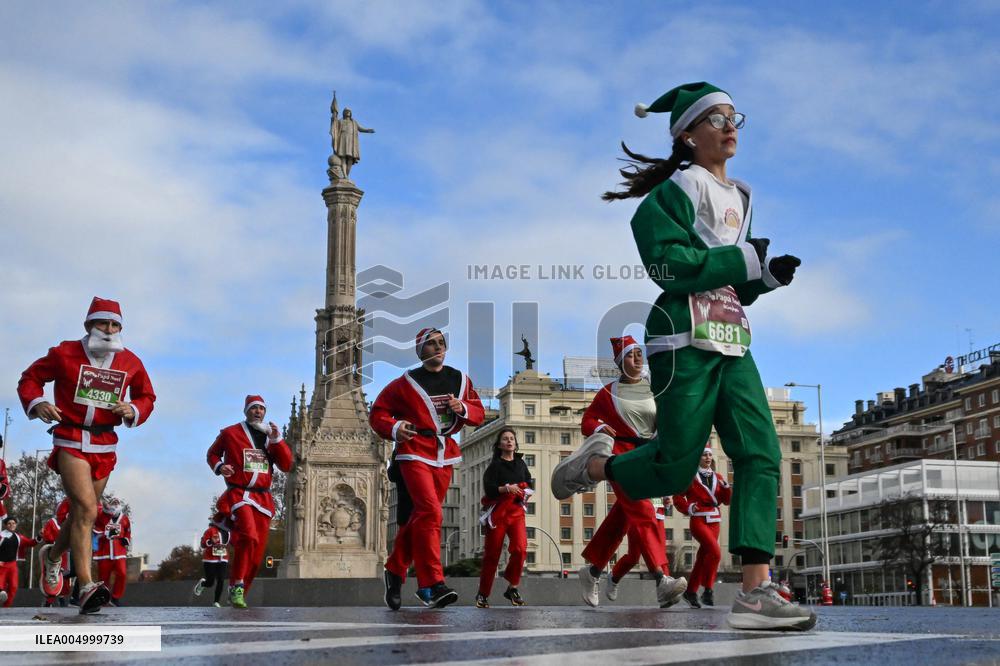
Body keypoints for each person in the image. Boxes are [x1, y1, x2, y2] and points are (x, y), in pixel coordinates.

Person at [552, 82, 814, 631]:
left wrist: (762, 277)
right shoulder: (672, 192)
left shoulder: (740, 196)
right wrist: (740, 260)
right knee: (674, 462)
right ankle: (595, 466)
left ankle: (754, 591)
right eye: (715, 118)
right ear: (688, 135)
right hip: (679, 336)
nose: (729, 124)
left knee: (761, 452)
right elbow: (666, 266)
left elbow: (729, 282)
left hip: (733, 339)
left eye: (732, 116)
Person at [17, 296, 156, 614]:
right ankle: (86, 585)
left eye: (114, 325)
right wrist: (37, 402)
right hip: (70, 438)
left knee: (83, 514)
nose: (108, 330)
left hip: (105, 444)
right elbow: (30, 378)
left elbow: (147, 395)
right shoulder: (64, 353)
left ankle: (52, 557)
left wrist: (132, 408)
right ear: (88, 325)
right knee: (86, 508)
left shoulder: (130, 362)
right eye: (102, 323)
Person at [371, 328, 484, 610]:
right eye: (430, 344)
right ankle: (431, 585)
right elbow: (378, 413)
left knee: (422, 517)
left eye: (441, 343)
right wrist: (396, 428)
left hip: (445, 454)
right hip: (413, 453)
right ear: (420, 351)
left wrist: (463, 408)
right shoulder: (404, 383)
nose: (437, 347)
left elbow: (479, 413)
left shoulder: (460, 380)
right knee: (431, 512)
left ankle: (395, 570)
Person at [576, 336, 686, 608]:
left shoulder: (655, 388)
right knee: (644, 511)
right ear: (619, 362)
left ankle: (591, 572)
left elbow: (667, 420)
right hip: (622, 458)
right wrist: (600, 428)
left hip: (649, 456)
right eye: (630, 355)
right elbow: (588, 420)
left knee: (622, 518)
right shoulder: (608, 393)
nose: (637, 358)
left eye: (639, 353)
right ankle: (662, 580)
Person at [207, 395, 293, 609]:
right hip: (239, 494)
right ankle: (236, 585)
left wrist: (277, 440)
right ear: (246, 411)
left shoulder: (268, 437)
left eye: (261, 409)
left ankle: (240, 592)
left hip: (263, 498)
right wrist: (220, 467)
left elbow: (286, 464)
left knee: (257, 553)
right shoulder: (230, 433)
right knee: (249, 536)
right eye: (254, 408)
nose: (258, 412)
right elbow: (212, 454)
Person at [476, 428, 532, 608]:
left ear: (515, 444)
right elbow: (489, 488)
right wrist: (506, 488)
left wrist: (524, 490)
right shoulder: (495, 466)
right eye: (505, 439)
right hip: (498, 512)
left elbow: (529, 483)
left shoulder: (521, 464)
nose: (509, 441)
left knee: (521, 548)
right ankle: (483, 594)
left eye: (512, 439)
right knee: (492, 555)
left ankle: (512, 587)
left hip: (516, 511)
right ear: (499, 445)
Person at [672, 447, 731, 608]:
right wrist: (688, 508)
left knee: (702, 558)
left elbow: (726, 501)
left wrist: (726, 489)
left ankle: (691, 591)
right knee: (715, 552)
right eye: (704, 454)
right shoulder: (690, 476)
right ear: (698, 458)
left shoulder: (718, 477)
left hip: (715, 520)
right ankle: (708, 590)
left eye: (710, 455)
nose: (708, 457)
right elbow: (677, 497)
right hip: (698, 520)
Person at [93, 498, 131, 606]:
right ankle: (103, 599)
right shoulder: (103, 517)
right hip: (104, 552)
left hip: (119, 552)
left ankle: (115, 597)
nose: (114, 505)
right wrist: (104, 533)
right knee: (103, 577)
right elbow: (96, 527)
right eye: (112, 503)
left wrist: (126, 539)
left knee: (122, 573)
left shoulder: (124, 519)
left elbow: (128, 531)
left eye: (116, 503)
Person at [40, 498, 74, 607]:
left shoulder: (71, 523)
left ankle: (62, 598)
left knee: (65, 576)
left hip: (67, 553)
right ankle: (49, 600)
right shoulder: (52, 522)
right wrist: (55, 543)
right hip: (55, 552)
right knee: (53, 576)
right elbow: (47, 535)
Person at [0, 517, 38, 607]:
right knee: (1, 585)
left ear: (16, 525)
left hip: (12, 564)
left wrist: (39, 536)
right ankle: (1, 592)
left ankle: (6, 607)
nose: (12, 525)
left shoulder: (18, 537)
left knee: (13, 587)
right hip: (1, 564)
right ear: (5, 525)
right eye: (9, 523)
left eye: (13, 523)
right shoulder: (1, 535)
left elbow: (31, 543)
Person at [194, 523, 230, 607]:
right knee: (210, 582)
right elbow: (202, 544)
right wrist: (210, 541)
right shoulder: (210, 531)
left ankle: (216, 602)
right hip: (210, 559)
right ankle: (202, 584)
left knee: (221, 580)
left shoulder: (228, 532)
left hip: (223, 558)